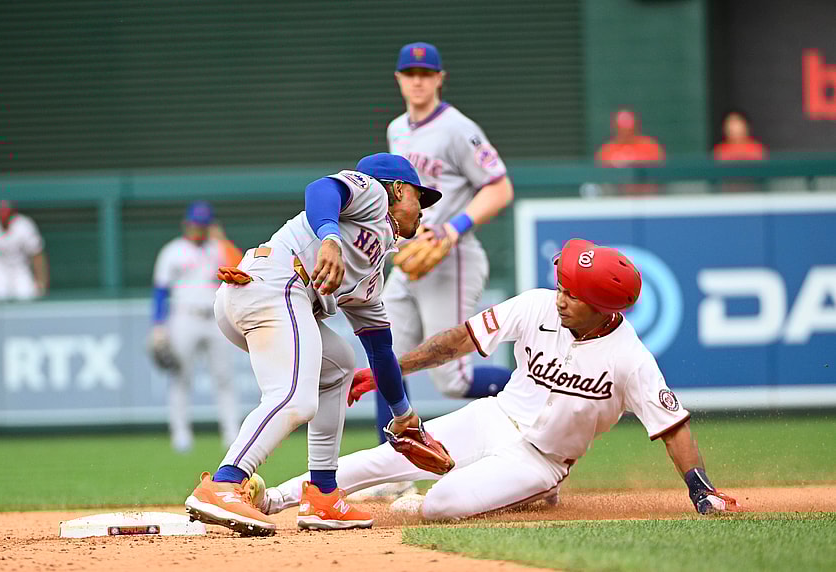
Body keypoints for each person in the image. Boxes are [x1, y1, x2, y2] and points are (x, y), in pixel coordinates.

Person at [258, 238, 739, 521]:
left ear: (604, 309)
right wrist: (390, 367)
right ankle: (275, 498)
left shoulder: (630, 359)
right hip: (493, 417)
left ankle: (532, 494)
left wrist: (701, 489)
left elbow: (672, 427)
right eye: (562, 286)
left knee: (438, 506)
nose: (560, 298)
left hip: (541, 461)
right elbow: (458, 341)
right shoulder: (535, 305)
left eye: (573, 295)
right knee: (381, 460)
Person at [184, 153, 444, 536]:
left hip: (262, 296)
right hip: (274, 284)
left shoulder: (372, 273)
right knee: (295, 397)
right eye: (418, 198)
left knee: (338, 362)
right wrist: (331, 239)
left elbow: (380, 351)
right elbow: (321, 189)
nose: (422, 210)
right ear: (399, 189)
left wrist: (405, 417)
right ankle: (225, 482)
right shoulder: (372, 194)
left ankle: (323, 495)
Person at [372, 41, 514, 469]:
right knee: (386, 360)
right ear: (399, 79)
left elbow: (499, 187)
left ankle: (541, 399)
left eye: (426, 74)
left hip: (453, 259)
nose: (418, 81)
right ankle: (393, 470)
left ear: (439, 78)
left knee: (453, 380)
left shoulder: (457, 128)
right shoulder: (397, 129)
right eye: (410, 74)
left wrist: (454, 228)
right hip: (413, 261)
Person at [150, 201, 244, 453]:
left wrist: (222, 240)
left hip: (216, 318)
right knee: (181, 377)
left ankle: (231, 434)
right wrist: (158, 326)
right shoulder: (173, 251)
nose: (197, 229)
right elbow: (160, 291)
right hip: (184, 317)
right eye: (194, 224)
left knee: (224, 377)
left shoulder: (219, 248)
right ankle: (180, 434)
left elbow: (241, 267)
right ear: (186, 223)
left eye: (202, 225)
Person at [0, 200, 49, 301]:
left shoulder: (24, 226)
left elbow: (37, 254)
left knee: (26, 295)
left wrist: (41, 281)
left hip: (20, 267)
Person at [595, 109, 664, 195]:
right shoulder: (607, 150)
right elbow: (601, 178)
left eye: (629, 128)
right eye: (622, 128)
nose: (626, 132)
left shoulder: (650, 146)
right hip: (617, 198)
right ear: (615, 128)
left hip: (647, 196)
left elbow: (661, 174)